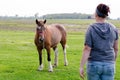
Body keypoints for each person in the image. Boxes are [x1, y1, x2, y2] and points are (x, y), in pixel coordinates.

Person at [79, 3, 119, 80]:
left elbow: (87, 49)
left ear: (96, 14)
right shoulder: (114, 28)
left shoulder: (91, 28)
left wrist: (81, 66)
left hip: (94, 64)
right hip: (109, 65)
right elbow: (116, 48)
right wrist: (112, 61)